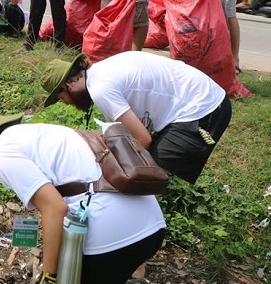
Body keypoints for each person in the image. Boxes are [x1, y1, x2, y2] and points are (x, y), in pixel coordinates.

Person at [0, 97, 166, 284]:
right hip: (151, 226)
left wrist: (49, 275)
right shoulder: (36, 134)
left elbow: (54, 208)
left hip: (112, 238)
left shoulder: (2, 155)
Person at [40, 52, 232, 185]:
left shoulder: (100, 89)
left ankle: (149, 227)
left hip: (203, 107)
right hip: (194, 100)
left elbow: (142, 140)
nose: (66, 104)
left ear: (68, 86)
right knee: (141, 168)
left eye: (61, 98)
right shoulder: (101, 73)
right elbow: (120, 133)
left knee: (150, 174)